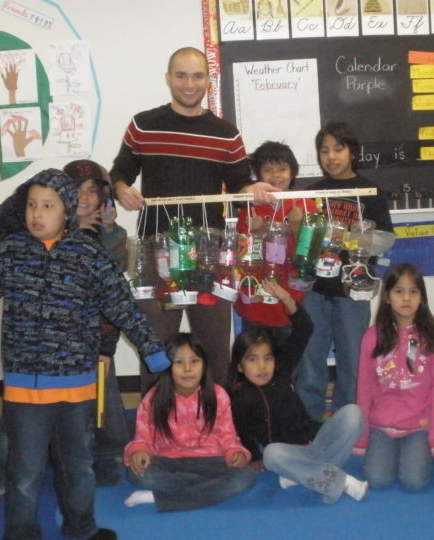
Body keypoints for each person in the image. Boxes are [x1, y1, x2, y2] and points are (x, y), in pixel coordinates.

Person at [0, 168, 169, 540]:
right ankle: (20, 532)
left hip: (77, 384)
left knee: (78, 466)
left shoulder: (90, 255)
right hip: (25, 386)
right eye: (32, 205)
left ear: (67, 211)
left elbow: (122, 307)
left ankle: (82, 528)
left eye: (48, 205)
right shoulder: (7, 254)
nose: (37, 213)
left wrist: (151, 350)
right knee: (24, 470)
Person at [110, 46, 278, 391]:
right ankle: (155, 428)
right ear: (168, 79)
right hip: (154, 257)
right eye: (181, 75)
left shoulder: (226, 133)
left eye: (198, 75)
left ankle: (218, 426)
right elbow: (120, 172)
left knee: (215, 349)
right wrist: (122, 188)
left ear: (209, 80)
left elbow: (238, 186)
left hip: (211, 259)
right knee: (155, 348)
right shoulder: (144, 125)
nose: (189, 84)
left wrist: (253, 189)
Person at [0, 160, 133, 491]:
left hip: (83, 341)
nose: (84, 199)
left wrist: (105, 349)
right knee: (20, 413)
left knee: (99, 401)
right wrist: (34, 190)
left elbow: (112, 299)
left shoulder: (110, 238)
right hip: (32, 344)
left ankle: (102, 457)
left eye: (93, 192)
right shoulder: (33, 230)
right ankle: (3, 468)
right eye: (76, 192)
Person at [228, 280, 368, 503]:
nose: (262, 367)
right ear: (240, 366)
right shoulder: (240, 397)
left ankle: (302, 475)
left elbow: (305, 329)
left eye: (267, 359)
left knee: (354, 413)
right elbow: (241, 430)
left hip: (316, 441)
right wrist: (254, 455)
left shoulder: (281, 371)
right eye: (252, 360)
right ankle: (340, 482)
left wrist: (287, 300)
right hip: (289, 453)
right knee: (272, 454)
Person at [294, 121, 394, 420]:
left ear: (352, 152)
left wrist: (346, 238)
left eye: (339, 148)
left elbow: (384, 240)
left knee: (353, 360)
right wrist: (299, 226)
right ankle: (309, 421)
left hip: (354, 289)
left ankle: (348, 421)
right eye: (324, 150)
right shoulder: (312, 193)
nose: (331, 156)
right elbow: (303, 243)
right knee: (311, 358)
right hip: (315, 288)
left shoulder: (370, 191)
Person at [123, 333, 256, 512]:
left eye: (194, 361)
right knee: (137, 474)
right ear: (167, 366)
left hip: (210, 461)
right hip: (168, 462)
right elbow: (143, 435)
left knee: (245, 476)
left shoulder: (218, 395)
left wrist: (235, 452)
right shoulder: (154, 397)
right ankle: (206, 490)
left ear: (204, 365)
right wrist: (139, 451)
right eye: (178, 362)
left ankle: (159, 497)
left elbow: (228, 435)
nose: (187, 369)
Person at [353, 262, 434, 491]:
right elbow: (364, 389)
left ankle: (414, 452)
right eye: (399, 291)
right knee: (378, 480)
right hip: (381, 425)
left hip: (419, 425)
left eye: (413, 291)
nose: (406, 298)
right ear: (387, 297)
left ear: (422, 298)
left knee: (414, 482)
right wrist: (363, 437)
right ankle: (391, 451)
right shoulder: (372, 337)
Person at [234, 141, 317, 345]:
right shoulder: (249, 208)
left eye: (282, 169)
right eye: (268, 170)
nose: (276, 175)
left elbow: (310, 257)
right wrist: (257, 231)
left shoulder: (306, 204)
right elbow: (245, 258)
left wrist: (297, 227)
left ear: (293, 172)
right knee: (253, 358)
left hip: (290, 299)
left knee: (288, 363)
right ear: (258, 175)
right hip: (255, 301)